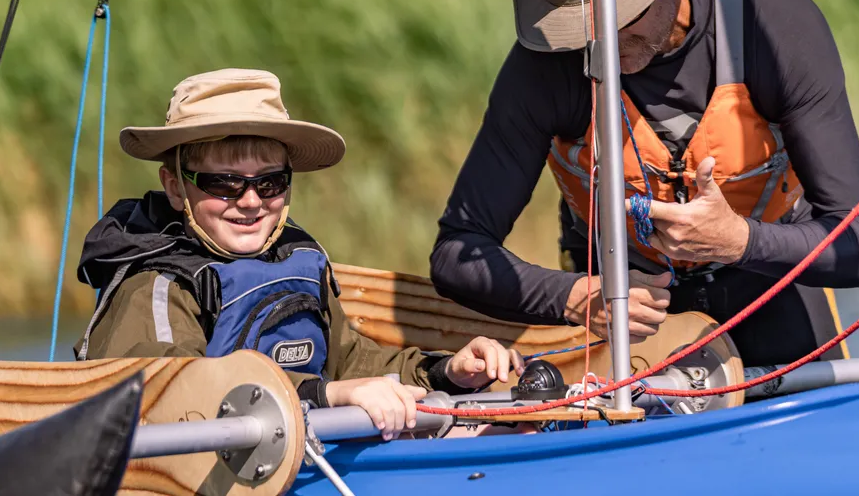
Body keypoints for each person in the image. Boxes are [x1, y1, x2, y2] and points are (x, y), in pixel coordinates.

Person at [430, 0, 859, 367]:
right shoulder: (547, 62)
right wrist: (573, 297)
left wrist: (739, 241)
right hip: (623, 320)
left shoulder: (771, 22)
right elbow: (456, 253)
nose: (598, 45)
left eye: (620, 19)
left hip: (769, 289)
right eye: (579, 27)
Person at [75, 68, 525, 441]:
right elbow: (174, 393)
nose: (250, 201)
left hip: (305, 454)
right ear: (175, 187)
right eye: (224, 183)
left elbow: (351, 363)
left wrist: (447, 371)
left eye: (270, 182)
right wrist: (327, 396)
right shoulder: (156, 284)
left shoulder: (299, 258)